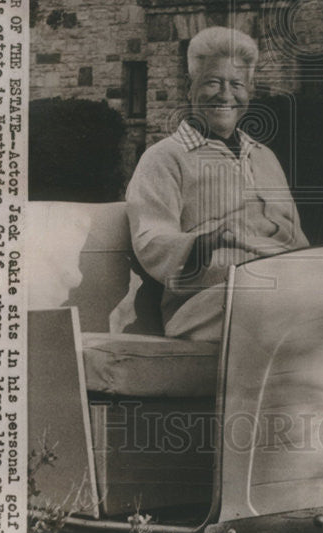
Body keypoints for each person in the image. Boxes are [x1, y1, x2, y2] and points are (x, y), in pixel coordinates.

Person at [126, 26, 308, 341]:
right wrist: (208, 241)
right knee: (288, 304)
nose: (225, 94)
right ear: (189, 87)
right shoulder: (164, 158)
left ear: (249, 91)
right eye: (213, 82)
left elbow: (299, 243)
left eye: (237, 84)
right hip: (201, 303)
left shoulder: (265, 157)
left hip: (279, 287)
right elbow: (151, 241)